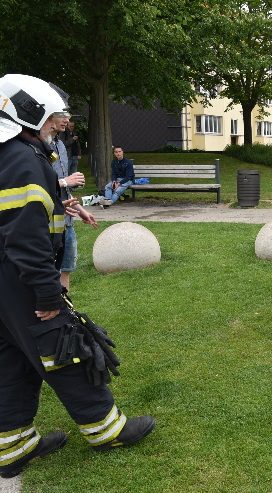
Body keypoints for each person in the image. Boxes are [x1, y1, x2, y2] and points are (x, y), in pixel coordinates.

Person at [0, 74, 154, 479]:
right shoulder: (20, 159)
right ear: (28, 115)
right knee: (65, 349)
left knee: (13, 358)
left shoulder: (12, 153)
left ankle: (13, 445)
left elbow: (24, 208)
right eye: (53, 117)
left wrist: (66, 205)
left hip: (4, 284)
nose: (59, 124)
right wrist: (48, 298)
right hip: (19, 280)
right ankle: (107, 430)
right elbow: (25, 239)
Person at [50, 111, 98, 290]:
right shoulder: (38, 148)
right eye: (62, 115)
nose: (67, 120)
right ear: (48, 117)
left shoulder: (61, 146)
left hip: (67, 222)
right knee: (49, 272)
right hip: (50, 223)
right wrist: (64, 181)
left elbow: (65, 190)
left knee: (66, 269)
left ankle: (65, 312)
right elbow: (38, 184)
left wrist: (82, 211)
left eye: (68, 116)